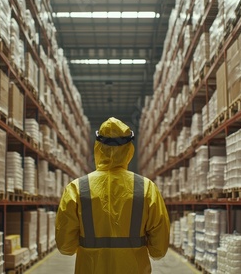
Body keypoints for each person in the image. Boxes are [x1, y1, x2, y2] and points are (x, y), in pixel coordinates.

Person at [55, 117, 170, 274]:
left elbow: (65, 246)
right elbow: (159, 249)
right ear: (129, 149)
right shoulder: (146, 188)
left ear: (98, 146)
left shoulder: (77, 188)